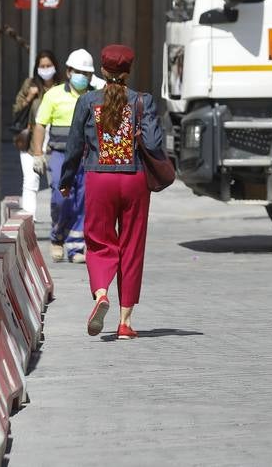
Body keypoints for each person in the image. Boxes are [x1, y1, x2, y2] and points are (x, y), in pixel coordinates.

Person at [59, 43, 163, 340]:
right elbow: (154, 144)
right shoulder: (143, 101)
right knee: (132, 247)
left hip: (99, 178)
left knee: (99, 241)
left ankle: (101, 293)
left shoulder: (88, 101)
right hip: (134, 180)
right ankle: (125, 322)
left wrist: (66, 179)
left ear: (102, 71)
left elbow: (74, 145)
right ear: (129, 71)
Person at [33, 48, 94, 262]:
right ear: (68, 71)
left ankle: (76, 247)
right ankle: (57, 237)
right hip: (60, 154)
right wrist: (38, 153)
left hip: (86, 156)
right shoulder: (54, 95)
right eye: (78, 71)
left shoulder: (94, 96)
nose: (82, 77)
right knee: (61, 197)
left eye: (86, 73)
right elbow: (40, 124)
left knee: (82, 199)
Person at [13, 50, 60, 219]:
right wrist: (30, 97)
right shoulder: (30, 84)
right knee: (30, 181)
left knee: (57, 182)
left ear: (55, 66)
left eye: (49, 66)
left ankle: (59, 221)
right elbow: (16, 111)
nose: (46, 69)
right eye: (42, 66)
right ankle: (28, 221)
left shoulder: (61, 87)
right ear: (37, 68)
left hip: (56, 140)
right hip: (32, 140)